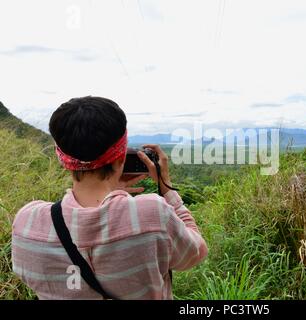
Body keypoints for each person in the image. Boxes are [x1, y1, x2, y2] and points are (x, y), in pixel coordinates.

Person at [11, 96, 208, 299]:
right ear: (121, 156)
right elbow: (196, 252)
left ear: (62, 159)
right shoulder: (152, 213)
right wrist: (167, 189)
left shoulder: (28, 223)